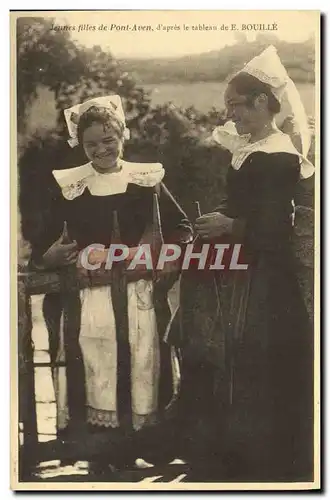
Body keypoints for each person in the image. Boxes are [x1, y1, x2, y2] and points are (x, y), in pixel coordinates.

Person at [29, 94, 193, 470]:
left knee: (142, 362)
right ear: (80, 145)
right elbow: (44, 240)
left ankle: (146, 447)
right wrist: (49, 255)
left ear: (123, 136)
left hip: (139, 295)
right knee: (96, 363)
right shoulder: (71, 186)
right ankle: (100, 455)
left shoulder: (146, 180)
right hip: (93, 298)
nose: (101, 150)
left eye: (108, 140)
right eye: (91, 144)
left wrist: (168, 254)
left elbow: (181, 228)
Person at [178, 46, 315, 481]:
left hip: (264, 281)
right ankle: (230, 454)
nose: (230, 114)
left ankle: (263, 462)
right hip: (242, 272)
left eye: (236, 105)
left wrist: (229, 225)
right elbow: (244, 204)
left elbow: (274, 226)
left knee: (257, 364)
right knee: (230, 360)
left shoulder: (278, 155)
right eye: (228, 107)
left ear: (262, 102)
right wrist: (216, 220)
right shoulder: (251, 150)